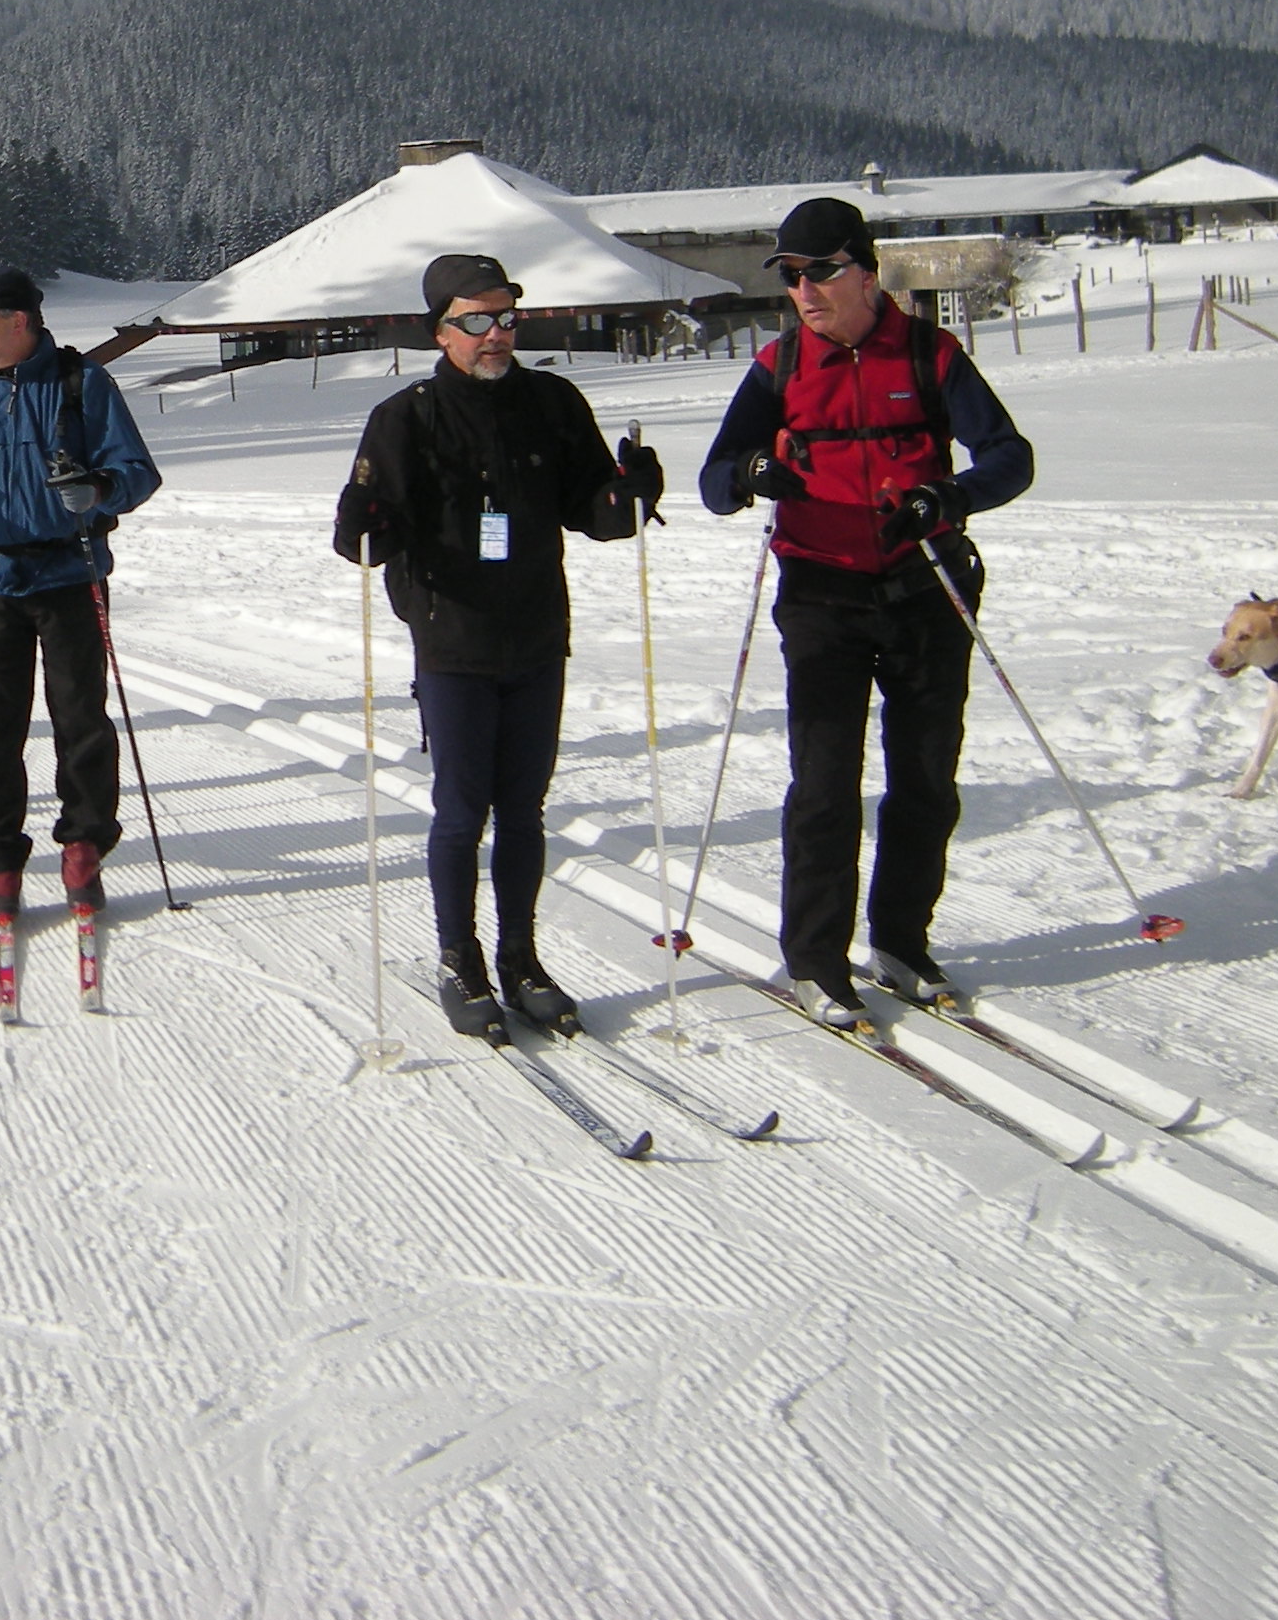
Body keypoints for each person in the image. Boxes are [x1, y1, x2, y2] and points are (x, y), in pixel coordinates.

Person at [700, 197, 1032, 1027]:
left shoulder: (929, 353)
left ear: (866, 272)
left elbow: (1010, 457)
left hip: (926, 587)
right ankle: (816, 961)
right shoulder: (778, 365)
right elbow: (713, 482)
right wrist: (751, 472)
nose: (804, 291)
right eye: (791, 276)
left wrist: (946, 497)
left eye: (821, 271)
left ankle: (901, 944)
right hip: (822, 595)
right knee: (824, 784)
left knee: (925, 778)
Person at [332, 255, 664, 1037]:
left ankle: (521, 957)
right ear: (440, 332)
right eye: (476, 320)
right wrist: (360, 524)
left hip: (537, 634)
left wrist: (632, 492)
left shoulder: (552, 401)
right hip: (453, 639)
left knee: (524, 810)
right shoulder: (407, 418)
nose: (496, 335)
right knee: (461, 811)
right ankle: (460, 958)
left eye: (507, 317)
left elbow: (594, 510)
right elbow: (367, 538)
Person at [0, 266, 161, 918]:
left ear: (20, 322)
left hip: (70, 575)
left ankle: (83, 844)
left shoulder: (82, 383)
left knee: (80, 719)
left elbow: (136, 471)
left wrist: (98, 489)